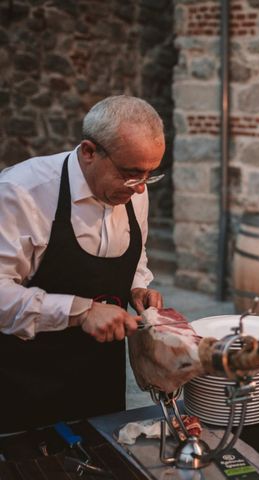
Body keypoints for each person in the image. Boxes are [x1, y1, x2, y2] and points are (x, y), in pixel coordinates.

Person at [0, 95, 166, 433]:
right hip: (27, 380)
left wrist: (138, 285)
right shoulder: (21, 192)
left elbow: (137, 252)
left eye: (150, 175)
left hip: (101, 377)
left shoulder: (135, 189)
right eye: (130, 174)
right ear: (89, 151)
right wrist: (81, 311)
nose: (139, 188)